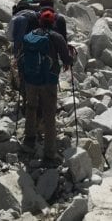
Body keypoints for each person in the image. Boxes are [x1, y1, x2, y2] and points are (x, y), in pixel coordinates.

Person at [22, 9, 73, 164]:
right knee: (49, 113)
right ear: (53, 23)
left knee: (31, 106)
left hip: (30, 79)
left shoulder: (30, 36)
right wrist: (71, 57)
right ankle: (49, 153)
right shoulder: (56, 37)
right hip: (48, 80)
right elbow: (66, 59)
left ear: (39, 21)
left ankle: (30, 137)